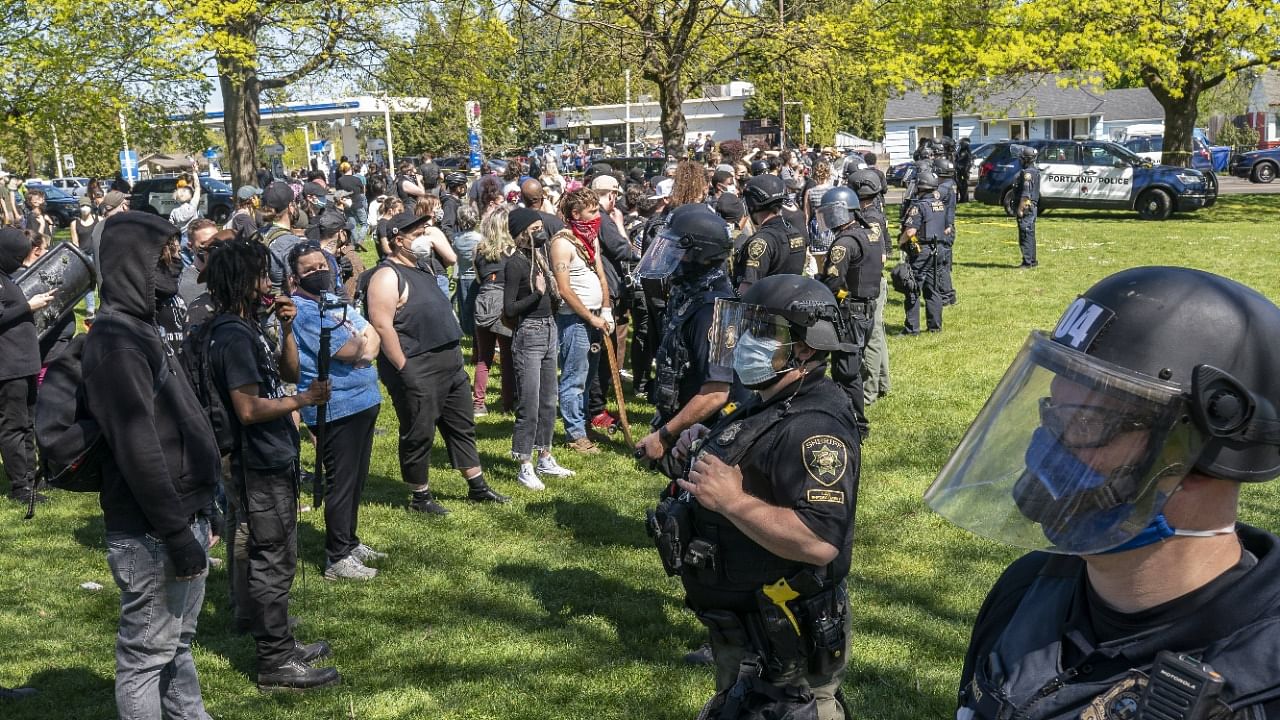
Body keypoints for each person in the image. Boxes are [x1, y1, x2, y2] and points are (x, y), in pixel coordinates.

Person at [927, 267, 1280, 718]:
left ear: (1201, 457)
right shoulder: (1026, 591)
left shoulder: (1262, 681)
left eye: (1088, 424)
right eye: (1053, 415)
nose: (1049, 449)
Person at [650, 274, 860, 720]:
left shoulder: (816, 427)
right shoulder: (775, 396)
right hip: (748, 636)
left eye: (764, 331)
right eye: (746, 327)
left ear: (805, 347)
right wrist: (709, 441)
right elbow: (759, 452)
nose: (747, 340)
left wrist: (733, 501)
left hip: (788, 649)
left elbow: (819, 542)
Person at [80, 212, 221, 717]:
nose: (177, 265)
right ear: (134, 266)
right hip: (152, 529)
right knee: (145, 656)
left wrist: (207, 505)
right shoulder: (115, 341)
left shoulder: (145, 328)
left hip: (186, 513)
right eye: (165, 258)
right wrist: (177, 531)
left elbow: (184, 419)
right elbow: (139, 448)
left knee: (176, 644)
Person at [199, 239, 339, 690]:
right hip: (255, 461)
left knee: (278, 552)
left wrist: (287, 329)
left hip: (271, 455)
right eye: (261, 276)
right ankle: (275, 662)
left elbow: (290, 373)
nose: (269, 284)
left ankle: (278, 636)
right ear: (243, 281)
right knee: (272, 556)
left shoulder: (249, 326)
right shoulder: (232, 336)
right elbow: (247, 408)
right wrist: (304, 401)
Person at [366, 211, 508, 514]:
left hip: (449, 360)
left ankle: (477, 486)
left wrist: (434, 237)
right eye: (416, 235)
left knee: (461, 425)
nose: (423, 238)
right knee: (419, 431)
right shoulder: (386, 275)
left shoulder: (423, 267)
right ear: (397, 240)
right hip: (417, 363)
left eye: (424, 232)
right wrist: (404, 367)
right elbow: (381, 325)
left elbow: (452, 257)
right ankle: (420, 497)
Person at [287, 241, 384, 581]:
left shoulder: (332, 301)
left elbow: (372, 335)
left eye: (320, 265)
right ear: (295, 277)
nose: (318, 272)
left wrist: (364, 347)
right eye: (308, 270)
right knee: (341, 482)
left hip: (364, 399)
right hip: (336, 406)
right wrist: (362, 346)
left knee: (357, 479)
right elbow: (348, 348)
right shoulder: (302, 311)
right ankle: (337, 557)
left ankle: (350, 539)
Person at [633, 204, 733, 480]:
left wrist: (664, 435)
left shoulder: (715, 311)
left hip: (707, 437)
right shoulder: (690, 296)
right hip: (685, 429)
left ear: (697, 255)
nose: (669, 257)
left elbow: (716, 393)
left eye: (677, 250)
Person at [504, 208, 575, 489]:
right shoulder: (515, 264)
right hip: (529, 333)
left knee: (548, 400)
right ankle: (524, 462)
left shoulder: (542, 258)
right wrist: (537, 293)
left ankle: (545, 455)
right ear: (521, 233)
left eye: (539, 226)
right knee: (530, 404)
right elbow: (509, 309)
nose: (540, 232)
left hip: (549, 329)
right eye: (534, 228)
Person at [550, 188, 613, 454]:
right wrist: (589, 317)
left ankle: (584, 424)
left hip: (596, 317)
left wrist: (606, 309)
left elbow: (600, 275)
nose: (598, 216)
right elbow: (564, 289)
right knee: (574, 378)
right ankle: (575, 434)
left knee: (588, 378)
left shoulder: (589, 239)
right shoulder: (562, 243)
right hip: (575, 321)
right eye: (592, 211)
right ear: (575, 214)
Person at [817, 185, 883, 435]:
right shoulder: (869, 233)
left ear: (840, 212)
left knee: (846, 370)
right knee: (852, 365)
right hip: (865, 309)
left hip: (850, 313)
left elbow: (833, 282)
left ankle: (856, 423)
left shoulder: (843, 243)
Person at [0, 229, 55, 504]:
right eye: (18, 256)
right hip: (8, 365)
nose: (22, 262)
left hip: (25, 362)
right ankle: (20, 488)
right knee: (13, 425)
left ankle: (31, 479)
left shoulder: (6, 278)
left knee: (28, 424)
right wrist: (28, 307)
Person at [848, 170, 891, 408]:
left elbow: (881, 255)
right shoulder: (873, 212)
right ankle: (883, 382)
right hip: (874, 280)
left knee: (872, 337)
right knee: (878, 333)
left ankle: (869, 391)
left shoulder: (870, 219)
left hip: (870, 281)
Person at [471, 208, 515, 416]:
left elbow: (479, 278)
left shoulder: (479, 250)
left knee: (483, 357)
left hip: (483, 299)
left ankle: (478, 403)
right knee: (507, 358)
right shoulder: (512, 251)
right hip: (504, 302)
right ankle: (508, 405)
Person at [732, 174, 805, 295]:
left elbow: (746, 291)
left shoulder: (760, 241)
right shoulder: (795, 233)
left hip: (764, 309)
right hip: (788, 305)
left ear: (752, 204)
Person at [898, 169, 947, 335]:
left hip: (922, 251)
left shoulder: (918, 206)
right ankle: (935, 326)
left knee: (912, 288)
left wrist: (901, 241)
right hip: (938, 249)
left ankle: (912, 329)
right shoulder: (939, 204)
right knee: (933, 288)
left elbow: (910, 231)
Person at [932, 157, 958, 306]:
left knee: (941, 265)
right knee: (945, 263)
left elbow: (930, 199)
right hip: (948, 228)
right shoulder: (951, 184)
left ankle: (947, 295)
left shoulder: (942, 189)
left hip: (943, 229)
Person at [452, 205, 482, 336]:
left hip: (463, 276)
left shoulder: (456, 239)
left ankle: (468, 331)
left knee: (465, 308)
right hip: (477, 277)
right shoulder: (480, 238)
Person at [1013, 144, 1040, 268]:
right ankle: (1033, 260)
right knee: (1030, 233)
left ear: (1026, 159)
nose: (1020, 160)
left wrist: (1020, 210)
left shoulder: (1027, 173)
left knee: (1025, 234)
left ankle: (1027, 262)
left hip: (1027, 207)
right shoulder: (1034, 171)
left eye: (1022, 158)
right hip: (1032, 207)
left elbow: (1025, 194)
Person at [169, 161, 203, 238]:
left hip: (181, 237)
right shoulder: (192, 207)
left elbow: (171, 226)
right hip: (193, 236)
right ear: (190, 196)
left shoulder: (174, 212)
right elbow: (197, 188)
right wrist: (194, 172)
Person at [954, 137, 972, 203]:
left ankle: (964, 199)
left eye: (961, 143)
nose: (960, 144)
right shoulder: (961, 150)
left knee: (963, 185)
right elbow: (956, 158)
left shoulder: (966, 152)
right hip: (960, 170)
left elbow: (967, 162)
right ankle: (962, 198)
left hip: (963, 171)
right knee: (959, 185)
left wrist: (965, 170)